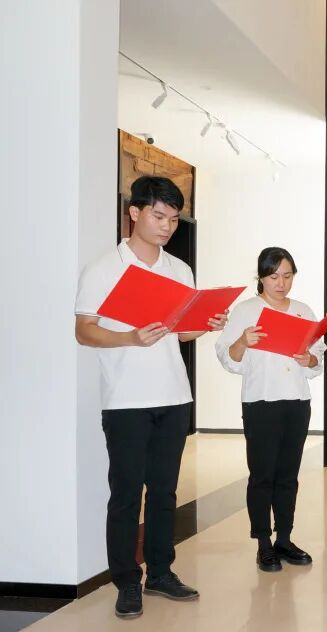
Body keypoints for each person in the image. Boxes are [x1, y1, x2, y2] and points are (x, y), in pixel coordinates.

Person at [75, 176, 227, 619]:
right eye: (159, 216)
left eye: (174, 219)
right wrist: (129, 337)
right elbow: (83, 330)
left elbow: (180, 334)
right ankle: (127, 580)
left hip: (174, 395)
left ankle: (160, 572)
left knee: (164, 491)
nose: (167, 226)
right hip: (125, 400)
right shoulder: (105, 268)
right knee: (126, 494)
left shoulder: (179, 270)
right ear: (134, 212)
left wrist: (207, 324)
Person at [215, 247, 323, 573]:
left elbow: (317, 359)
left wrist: (309, 359)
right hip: (260, 402)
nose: (281, 283)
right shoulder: (246, 311)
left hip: (297, 402)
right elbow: (227, 358)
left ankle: (285, 538)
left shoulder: (303, 311)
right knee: (262, 475)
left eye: (287, 276)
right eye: (274, 276)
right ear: (261, 277)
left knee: (288, 475)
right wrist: (242, 342)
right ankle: (263, 542)